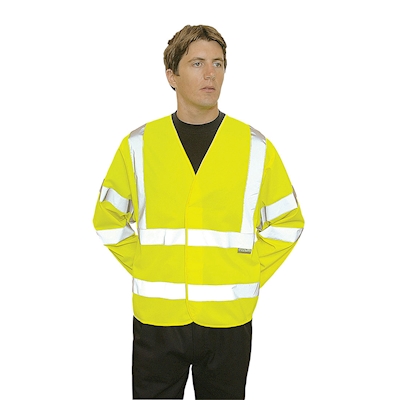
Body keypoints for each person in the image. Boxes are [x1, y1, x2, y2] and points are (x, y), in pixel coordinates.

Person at [93, 24, 304, 400]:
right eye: (197, 63)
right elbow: (108, 217)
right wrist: (145, 263)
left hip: (228, 320)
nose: (210, 74)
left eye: (218, 63)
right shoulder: (139, 145)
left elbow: (287, 221)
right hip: (158, 320)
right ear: (171, 76)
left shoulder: (255, 147)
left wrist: (250, 273)